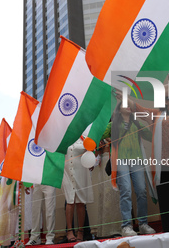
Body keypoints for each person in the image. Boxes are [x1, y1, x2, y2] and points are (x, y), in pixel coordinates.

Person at [101, 101, 156, 237]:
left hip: (136, 160)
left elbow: (150, 136)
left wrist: (152, 122)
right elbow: (99, 134)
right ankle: (126, 226)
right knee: (125, 191)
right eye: (124, 105)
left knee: (142, 191)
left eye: (129, 105)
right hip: (120, 161)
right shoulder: (113, 125)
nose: (128, 106)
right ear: (118, 110)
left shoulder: (137, 124)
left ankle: (143, 224)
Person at [62, 137, 94, 242]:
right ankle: (69, 231)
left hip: (81, 171)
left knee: (80, 202)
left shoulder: (84, 137)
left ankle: (81, 231)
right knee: (70, 200)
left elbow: (90, 152)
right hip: (66, 171)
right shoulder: (64, 135)